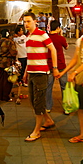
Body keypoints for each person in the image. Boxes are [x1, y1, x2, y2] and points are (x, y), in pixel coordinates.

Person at [22, 12, 59, 142]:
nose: (26, 24)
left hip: (41, 73)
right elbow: (30, 56)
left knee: (38, 102)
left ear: (35, 21)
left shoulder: (42, 34)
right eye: (25, 22)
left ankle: (36, 131)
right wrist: (26, 71)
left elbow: (53, 50)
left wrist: (54, 68)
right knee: (33, 101)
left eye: (28, 21)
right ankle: (48, 120)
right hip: (32, 72)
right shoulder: (28, 36)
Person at [46, 20, 68, 113]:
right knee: (64, 87)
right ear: (58, 28)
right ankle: (66, 108)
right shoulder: (61, 38)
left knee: (48, 87)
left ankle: (48, 107)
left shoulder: (46, 38)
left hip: (49, 65)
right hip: (61, 65)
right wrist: (61, 35)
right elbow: (66, 47)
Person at [0, 29, 17, 102]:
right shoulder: (10, 42)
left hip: (0, 62)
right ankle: (6, 97)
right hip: (8, 63)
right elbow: (13, 53)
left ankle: (0, 96)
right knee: (8, 81)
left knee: (0, 80)